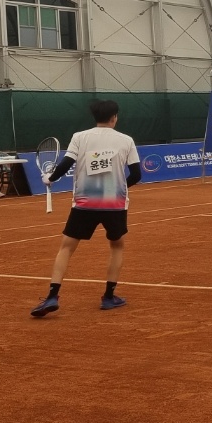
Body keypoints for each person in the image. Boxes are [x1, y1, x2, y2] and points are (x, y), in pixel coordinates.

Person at [30, 99, 142, 317]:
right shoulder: (126, 140)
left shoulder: (79, 137)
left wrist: (50, 178)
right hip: (115, 204)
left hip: (84, 204)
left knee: (66, 248)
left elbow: (66, 164)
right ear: (114, 117)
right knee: (117, 246)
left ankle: (52, 295)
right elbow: (136, 174)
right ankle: (109, 297)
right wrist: (117, 189)